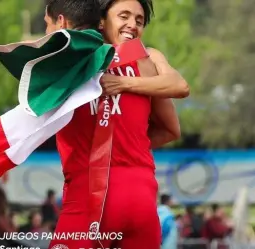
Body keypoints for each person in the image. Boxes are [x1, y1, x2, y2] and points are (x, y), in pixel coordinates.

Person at [44, 0, 189, 248]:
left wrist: (122, 84)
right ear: (101, 20)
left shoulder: (141, 56)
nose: (132, 25)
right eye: (124, 16)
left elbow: (181, 86)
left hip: (88, 195)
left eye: (139, 20)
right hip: (139, 197)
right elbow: (170, 129)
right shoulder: (145, 60)